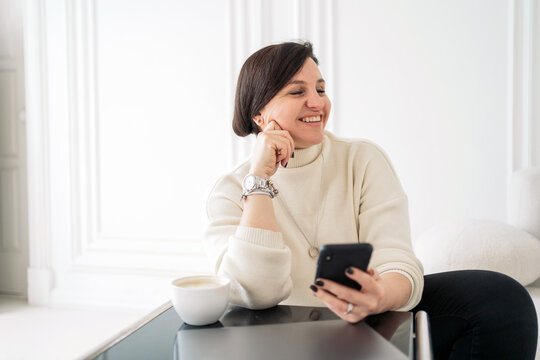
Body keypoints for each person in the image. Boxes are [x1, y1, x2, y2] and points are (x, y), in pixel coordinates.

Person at [203, 41, 538, 359]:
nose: (317, 103)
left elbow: (397, 260)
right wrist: (259, 181)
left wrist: (379, 297)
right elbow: (254, 294)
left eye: (320, 89)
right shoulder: (230, 190)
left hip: (366, 327)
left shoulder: (362, 160)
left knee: (500, 299)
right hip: (277, 342)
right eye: (297, 91)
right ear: (259, 114)